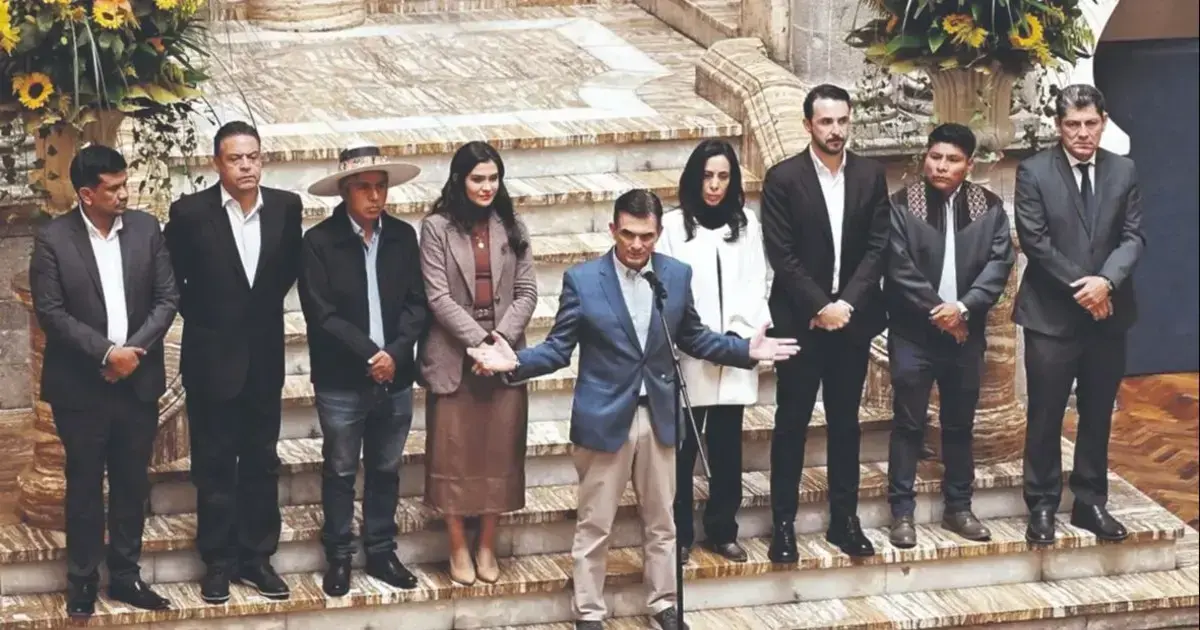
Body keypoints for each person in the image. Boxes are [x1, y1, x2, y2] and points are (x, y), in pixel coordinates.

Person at [468, 189, 798, 630]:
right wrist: (516, 362)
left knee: (663, 522)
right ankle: (588, 611)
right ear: (612, 230)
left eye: (646, 236)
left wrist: (744, 350)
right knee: (595, 524)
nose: (637, 245)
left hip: (660, 415)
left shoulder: (676, 276)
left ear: (659, 234)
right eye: (628, 234)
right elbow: (559, 348)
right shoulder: (583, 280)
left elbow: (694, 337)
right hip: (606, 417)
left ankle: (664, 603)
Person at [29, 145, 178, 618]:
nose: (123, 195)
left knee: (133, 482)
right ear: (86, 194)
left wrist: (132, 352)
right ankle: (82, 581)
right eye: (113, 189)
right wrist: (107, 354)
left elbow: (167, 297)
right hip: (82, 387)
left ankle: (127, 576)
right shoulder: (53, 239)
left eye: (125, 184)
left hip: (137, 381)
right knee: (85, 484)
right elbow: (51, 313)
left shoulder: (146, 229)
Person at [163, 121, 303, 604]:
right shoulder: (188, 214)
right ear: (216, 164)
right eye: (235, 158)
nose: (246, 166)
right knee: (215, 463)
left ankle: (258, 558)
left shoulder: (286, 207)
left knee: (262, 461)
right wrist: (211, 321)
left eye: (253, 157)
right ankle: (217, 562)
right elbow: (172, 282)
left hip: (263, 359)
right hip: (211, 360)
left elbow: (285, 272)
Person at [760, 83, 890, 562]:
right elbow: (782, 255)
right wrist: (821, 306)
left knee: (845, 424)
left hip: (851, 323)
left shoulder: (871, 175)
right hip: (800, 322)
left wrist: (847, 306)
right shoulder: (783, 178)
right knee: (791, 422)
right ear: (808, 125)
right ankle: (783, 526)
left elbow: (878, 247)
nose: (835, 131)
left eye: (842, 121)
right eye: (826, 122)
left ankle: (845, 520)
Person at [1014, 84, 1145, 545]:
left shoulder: (1123, 170)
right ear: (1058, 126)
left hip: (1109, 315)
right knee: (1046, 414)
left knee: (1097, 414)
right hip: (1051, 318)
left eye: (1091, 123)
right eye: (1073, 125)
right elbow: (1035, 241)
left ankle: (1090, 502)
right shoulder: (1033, 171)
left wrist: (1105, 283)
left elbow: (1133, 238)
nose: (1083, 133)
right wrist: (1086, 289)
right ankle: (1043, 505)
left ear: (1103, 121)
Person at [299, 145, 430, 597]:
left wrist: (394, 353)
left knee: (386, 467)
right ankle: (339, 556)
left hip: (395, 375)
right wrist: (371, 354)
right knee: (338, 469)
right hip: (341, 378)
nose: (375, 196)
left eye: (381, 187)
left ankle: (381, 550)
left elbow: (417, 303)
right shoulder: (318, 242)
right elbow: (322, 314)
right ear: (344, 191)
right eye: (364, 188)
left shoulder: (401, 236)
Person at [883, 123, 1015, 548]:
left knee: (959, 424)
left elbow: (999, 266)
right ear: (926, 157)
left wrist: (962, 308)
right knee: (908, 423)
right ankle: (902, 513)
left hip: (965, 335)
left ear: (969, 165)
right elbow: (899, 268)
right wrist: (941, 313)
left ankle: (959, 507)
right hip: (912, 334)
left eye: (952, 160)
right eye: (935, 157)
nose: (941, 166)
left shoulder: (990, 208)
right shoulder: (902, 205)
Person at [419, 141, 538, 585]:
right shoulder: (435, 228)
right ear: (459, 181)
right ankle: (456, 546)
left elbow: (527, 292)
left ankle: (486, 544)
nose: (487, 187)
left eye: (493, 178)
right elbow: (437, 296)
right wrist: (478, 343)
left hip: (503, 357)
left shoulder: (513, 224)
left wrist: (500, 343)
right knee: (454, 454)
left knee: (498, 452)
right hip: (455, 355)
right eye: (477, 179)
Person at [659, 139, 770, 564]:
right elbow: (669, 290)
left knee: (727, 448)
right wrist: (700, 337)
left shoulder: (747, 224)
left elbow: (757, 281)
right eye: (707, 175)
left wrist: (738, 337)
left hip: (737, 348)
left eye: (723, 176)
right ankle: (681, 534)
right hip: (690, 352)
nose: (715, 185)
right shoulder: (672, 227)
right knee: (684, 452)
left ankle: (723, 529)